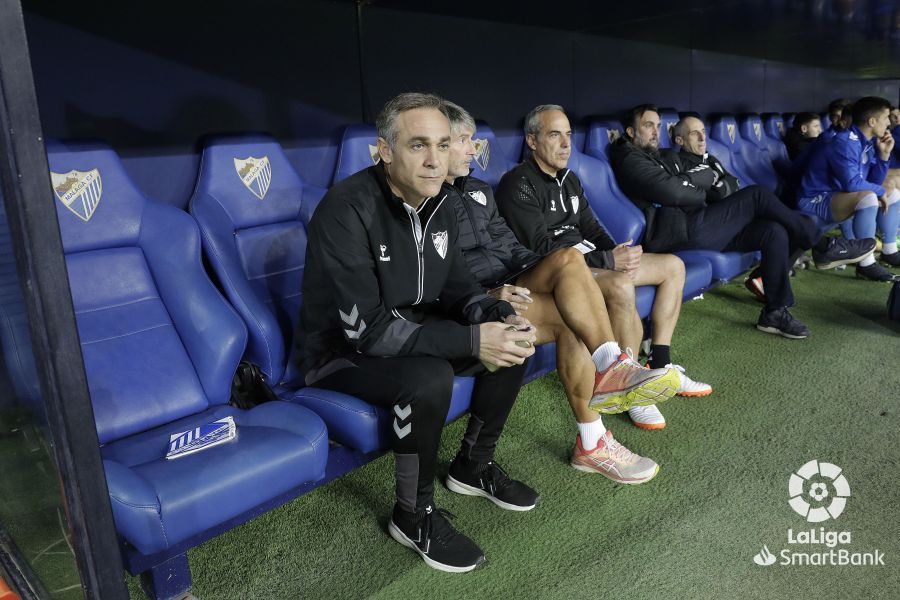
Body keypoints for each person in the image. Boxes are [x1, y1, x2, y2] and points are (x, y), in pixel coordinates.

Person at [298, 93, 539, 573]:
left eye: (443, 144)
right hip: (340, 352)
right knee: (430, 377)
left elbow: (456, 287)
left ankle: (473, 465)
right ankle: (412, 515)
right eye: (418, 146)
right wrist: (473, 340)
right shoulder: (346, 208)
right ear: (385, 150)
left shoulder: (440, 201)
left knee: (513, 341)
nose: (435, 160)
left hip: (411, 330)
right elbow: (369, 331)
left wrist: (493, 312)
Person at [441, 101, 684, 482]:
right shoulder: (430, 200)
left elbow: (509, 245)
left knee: (573, 287)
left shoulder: (477, 191)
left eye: (472, 140)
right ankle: (609, 387)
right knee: (572, 273)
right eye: (464, 141)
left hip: (515, 280)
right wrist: (493, 290)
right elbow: (441, 271)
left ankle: (598, 425)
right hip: (479, 298)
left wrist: (530, 273)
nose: (474, 149)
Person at [495, 104, 710, 425]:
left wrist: (617, 253)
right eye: (555, 135)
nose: (566, 144)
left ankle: (658, 364)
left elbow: (591, 227)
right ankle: (628, 387)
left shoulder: (569, 180)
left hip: (592, 262)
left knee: (673, 267)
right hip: (554, 273)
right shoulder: (519, 182)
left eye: (568, 135)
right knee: (621, 283)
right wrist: (608, 261)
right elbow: (539, 248)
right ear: (532, 141)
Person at [608, 104, 873, 339]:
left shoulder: (658, 155)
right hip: (678, 230)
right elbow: (675, 192)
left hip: (698, 222)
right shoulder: (630, 157)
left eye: (657, 126)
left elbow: (706, 185)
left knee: (773, 231)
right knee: (756, 194)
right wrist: (695, 186)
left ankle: (774, 312)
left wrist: (691, 185)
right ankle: (822, 244)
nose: (655, 131)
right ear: (631, 132)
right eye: (647, 126)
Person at [797, 96, 900, 276]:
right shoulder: (845, 142)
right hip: (813, 200)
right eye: (886, 118)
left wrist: (884, 156)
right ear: (872, 121)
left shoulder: (866, 142)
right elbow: (852, 184)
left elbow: (873, 182)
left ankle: (889, 251)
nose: (889, 124)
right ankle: (866, 263)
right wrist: (879, 190)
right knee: (868, 196)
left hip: (835, 197)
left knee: (891, 192)